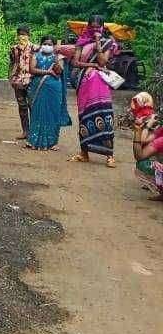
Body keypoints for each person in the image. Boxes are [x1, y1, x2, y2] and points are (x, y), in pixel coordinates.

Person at [68, 16, 120, 167]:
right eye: (93, 27)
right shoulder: (81, 42)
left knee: (104, 115)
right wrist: (92, 66)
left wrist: (97, 42)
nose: (96, 30)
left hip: (100, 84)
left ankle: (110, 156)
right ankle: (84, 153)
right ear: (88, 27)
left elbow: (103, 61)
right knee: (84, 116)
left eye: (98, 27)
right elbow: (75, 62)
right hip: (83, 82)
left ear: (103, 28)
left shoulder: (108, 43)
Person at [25, 36, 70, 151]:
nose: (47, 46)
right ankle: (33, 141)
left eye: (50, 44)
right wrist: (48, 72)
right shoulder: (35, 56)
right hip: (37, 87)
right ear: (41, 44)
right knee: (36, 112)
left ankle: (52, 142)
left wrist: (55, 59)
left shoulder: (59, 57)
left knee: (53, 112)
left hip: (54, 89)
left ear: (54, 46)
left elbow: (59, 71)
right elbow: (32, 69)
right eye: (45, 44)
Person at [130, 92, 163, 200]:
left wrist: (144, 127)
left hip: (152, 148)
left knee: (143, 164)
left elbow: (142, 142)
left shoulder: (148, 116)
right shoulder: (157, 122)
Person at [8, 25, 34, 140]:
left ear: (29, 35)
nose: (22, 37)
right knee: (22, 106)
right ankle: (25, 131)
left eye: (24, 34)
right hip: (17, 80)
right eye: (20, 35)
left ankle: (34, 131)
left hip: (31, 80)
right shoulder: (13, 49)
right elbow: (12, 63)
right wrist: (10, 77)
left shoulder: (35, 48)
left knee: (32, 105)